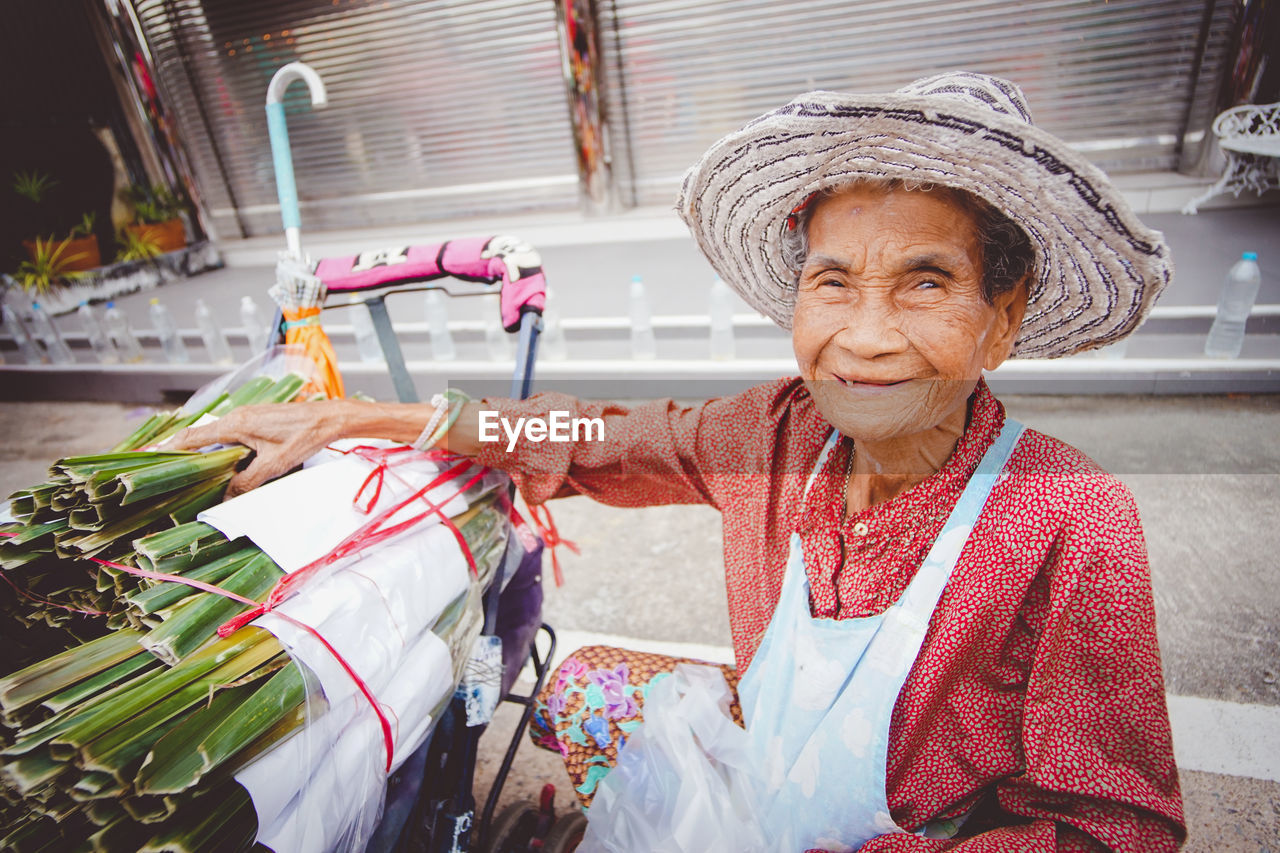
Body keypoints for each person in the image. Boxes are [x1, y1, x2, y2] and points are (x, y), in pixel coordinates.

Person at [175, 72, 1184, 851]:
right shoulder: (773, 434)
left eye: (925, 283)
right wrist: (359, 418)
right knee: (577, 687)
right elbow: (594, 439)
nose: (864, 336)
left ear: (999, 320)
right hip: (771, 769)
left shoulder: (1066, 513)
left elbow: (1112, 828)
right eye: (832, 281)